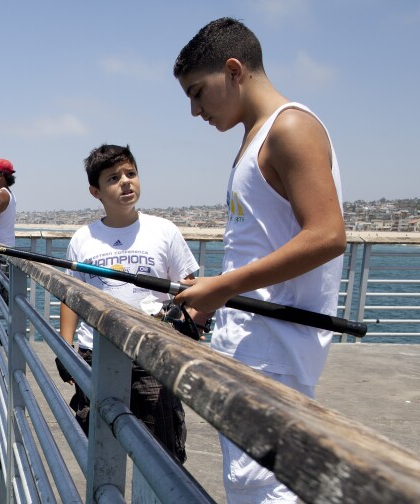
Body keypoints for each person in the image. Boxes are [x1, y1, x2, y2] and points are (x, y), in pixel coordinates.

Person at [172, 17, 346, 502]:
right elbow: (266, 246)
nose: (194, 110)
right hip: (250, 348)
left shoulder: (290, 127)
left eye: (197, 92)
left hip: (277, 354)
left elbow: (328, 235)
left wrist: (223, 287)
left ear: (233, 70)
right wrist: (213, 292)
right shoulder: (252, 138)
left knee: (268, 491)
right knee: (244, 486)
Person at [58, 143, 207, 464]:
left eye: (131, 174)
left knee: (161, 451)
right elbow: (72, 296)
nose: (125, 182)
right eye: (113, 178)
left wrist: (187, 325)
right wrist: (65, 345)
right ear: (95, 191)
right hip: (94, 354)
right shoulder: (82, 239)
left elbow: (190, 288)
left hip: (152, 357)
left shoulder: (164, 231)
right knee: (99, 445)